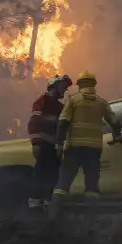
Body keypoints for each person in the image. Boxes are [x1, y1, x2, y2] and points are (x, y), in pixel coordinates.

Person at [50, 71, 122, 219]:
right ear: (93, 85)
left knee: (63, 183)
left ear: (79, 85)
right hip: (93, 149)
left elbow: (63, 123)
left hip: (74, 147)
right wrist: (117, 134)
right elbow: (115, 122)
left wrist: (59, 144)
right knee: (91, 185)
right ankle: (91, 220)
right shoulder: (101, 103)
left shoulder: (73, 100)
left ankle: (53, 217)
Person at [26, 74, 71, 212]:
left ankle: (48, 201)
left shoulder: (61, 107)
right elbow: (34, 123)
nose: (64, 91)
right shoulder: (41, 102)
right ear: (53, 87)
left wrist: (60, 145)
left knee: (53, 174)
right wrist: (36, 144)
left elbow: (62, 127)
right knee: (40, 173)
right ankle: (34, 203)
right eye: (63, 87)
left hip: (54, 146)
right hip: (43, 145)